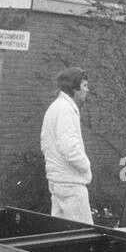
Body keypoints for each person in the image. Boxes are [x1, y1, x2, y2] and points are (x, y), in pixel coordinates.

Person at [40, 67, 93, 223]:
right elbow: (70, 150)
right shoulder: (66, 110)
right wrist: (86, 167)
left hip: (58, 183)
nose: (87, 90)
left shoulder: (55, 108)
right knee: (83, 237)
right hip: (71, 185)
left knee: (62, 236)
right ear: (74, 89)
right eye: (84, 86)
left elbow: (45, 145)